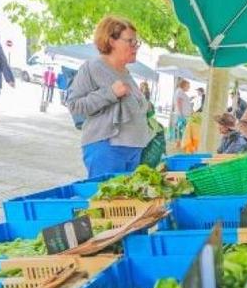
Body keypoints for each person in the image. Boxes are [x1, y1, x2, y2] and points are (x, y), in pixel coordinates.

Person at [67, 15, 153, 178]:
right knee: (106, 202)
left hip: (133, 149)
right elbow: (74, 105)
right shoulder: (93, 67)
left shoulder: (126, 73)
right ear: (111, 41)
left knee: (124, 203)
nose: (136, 47)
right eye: (131, 41)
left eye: (137, 42)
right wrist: (110, 93)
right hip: (108, 148)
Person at [172, 78, 192, 147]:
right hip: (181, 114)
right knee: (180, 129)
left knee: (180, 129)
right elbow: (178, 102)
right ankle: (178, 143)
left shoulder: (180, 92)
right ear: (184, 85)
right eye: (188, 86)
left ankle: (179, 142)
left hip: (182, 114)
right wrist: (181, 114)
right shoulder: (180, 92)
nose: (189, 87)